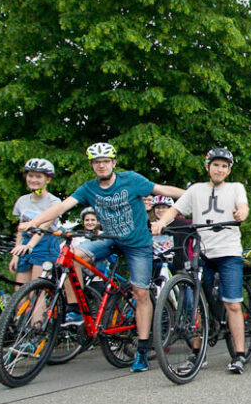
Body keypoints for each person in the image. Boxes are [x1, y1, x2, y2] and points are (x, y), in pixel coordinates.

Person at [18, 142, 184, 373]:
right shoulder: (89, 188)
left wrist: (195, 196)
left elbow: (163, 190)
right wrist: (35, 223)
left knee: (141, 293)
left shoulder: (131, 180)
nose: (101, 165)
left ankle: (142, 350)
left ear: (113, 163)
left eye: (105, 161)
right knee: (70, 256)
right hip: (109, 238)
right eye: (97, 162)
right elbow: (63, 207)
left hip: (137, 244)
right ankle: (76, 308)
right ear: (92, 166)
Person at [151, 147, 250, 374]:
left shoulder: (236, 188)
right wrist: (161, 223)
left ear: (229, 170)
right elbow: (174, 210)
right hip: (203, 251)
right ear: (208, 167)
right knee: (194, 301)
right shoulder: (195, 190)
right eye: (216, 165)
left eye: (224, 166)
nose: (220, 169)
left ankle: (239, 354)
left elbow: (243, 206)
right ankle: (198, 353)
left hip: (228, 251)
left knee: (232, 303)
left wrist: (241, 214)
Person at [9, 159, 63, 288]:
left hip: (45, 243)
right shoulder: (22, 201)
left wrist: (30, 246)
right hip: (26, 243)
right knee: (19, 291)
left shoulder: (54, 202)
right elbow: (21, 229)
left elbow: (43, 227)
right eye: (30, 176)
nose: (33, 180)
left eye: (38, 177)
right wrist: (16, 255)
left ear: (48, 180)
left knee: (36, 291)